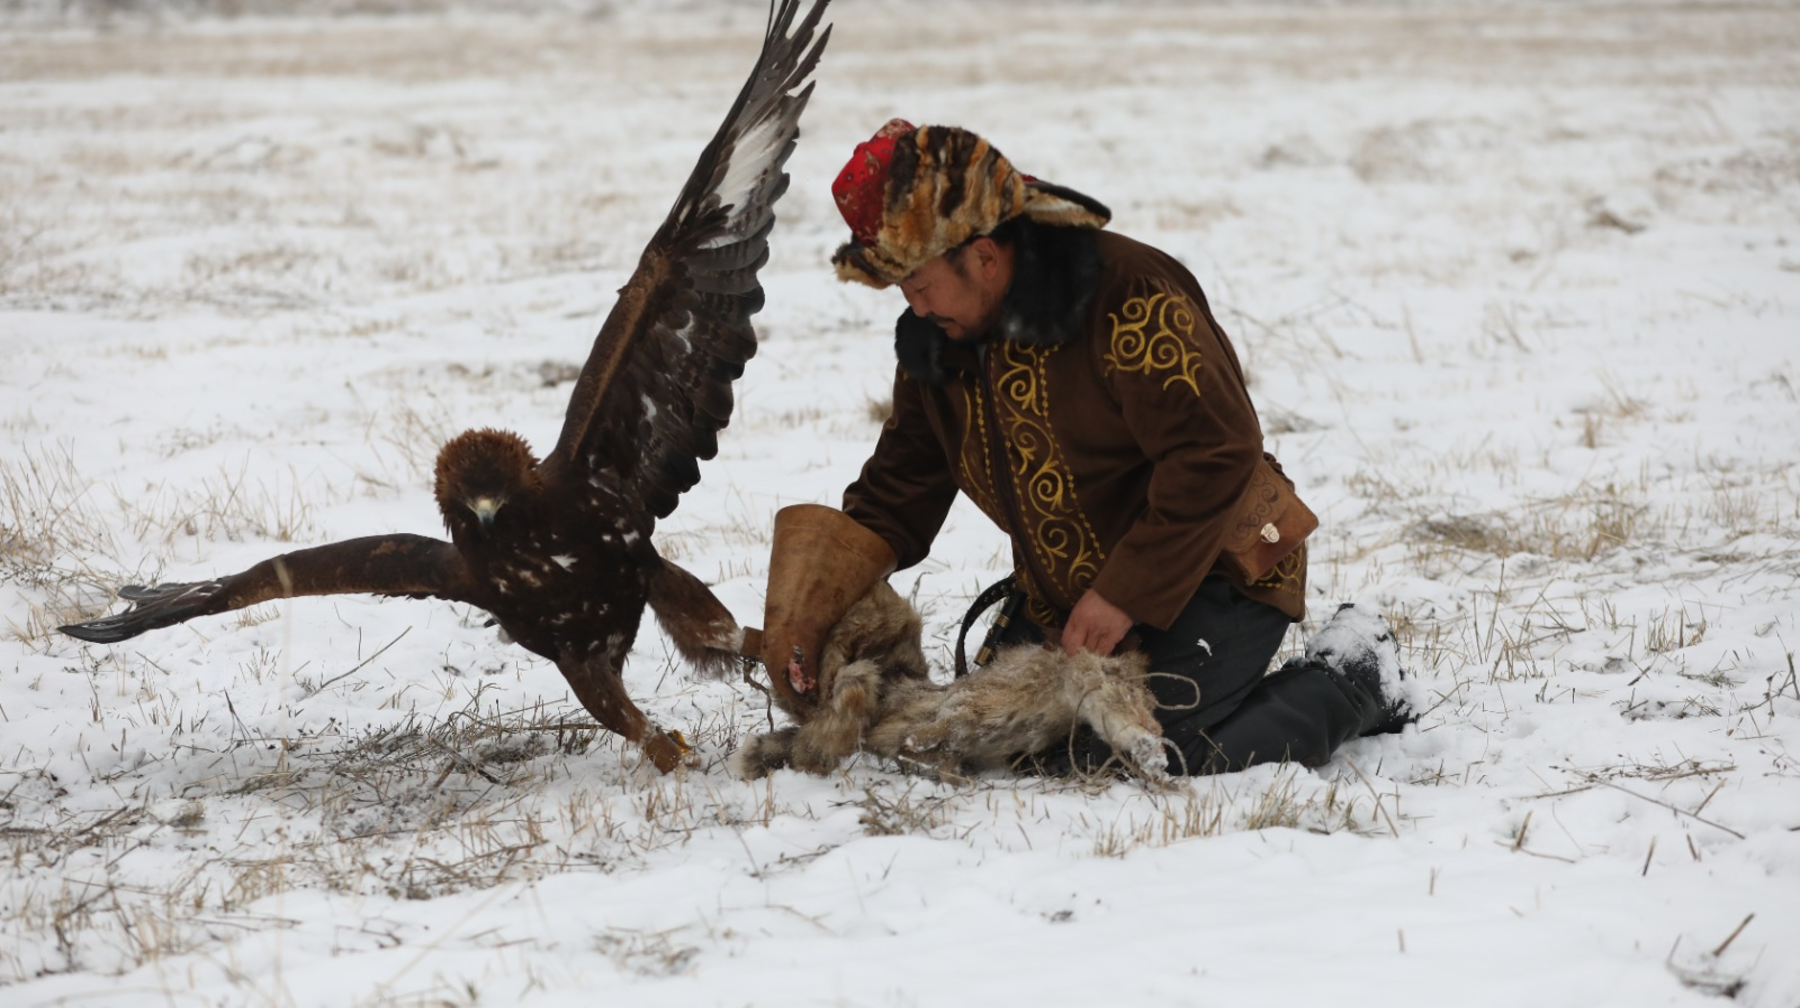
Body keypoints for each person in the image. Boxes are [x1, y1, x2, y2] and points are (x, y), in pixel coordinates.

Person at [766, 119, 1410, 776]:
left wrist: (1126, 594)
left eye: (918, 283)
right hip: (1071, 604)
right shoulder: (941, 338)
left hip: (1215, 574)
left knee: (1139, 752)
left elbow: (1215, 452)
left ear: (984, 256)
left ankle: (1354, 677)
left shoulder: (1129, 296)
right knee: (989, 741)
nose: (912, 305)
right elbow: (900, 490)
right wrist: (821, 604)